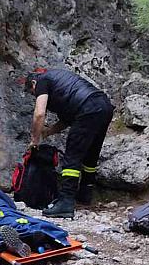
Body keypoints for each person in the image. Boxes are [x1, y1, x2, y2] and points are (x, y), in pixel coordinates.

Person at [24, 67, 114, 218]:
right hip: (103, 106)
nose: (36, 95)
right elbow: (67, 120)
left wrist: (34, 139)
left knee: (72, 156)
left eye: (33, 93)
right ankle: (85, 193)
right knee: (91, 154)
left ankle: (66, 202)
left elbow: (39, 114)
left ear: (33, 83)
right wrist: (47, 132)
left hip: (88, 108)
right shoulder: (62, 86)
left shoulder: (41, 80)